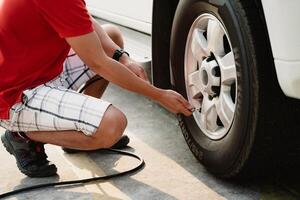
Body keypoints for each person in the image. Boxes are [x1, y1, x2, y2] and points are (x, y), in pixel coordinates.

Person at [0, 0, 193, 177]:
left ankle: (79, 131)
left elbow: (86, 21)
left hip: (41, 70)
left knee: (112, 35)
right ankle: (21, 136)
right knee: (112, 125)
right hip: (14, 95)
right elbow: (99, 63)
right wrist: (158, 95)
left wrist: (123, 57)